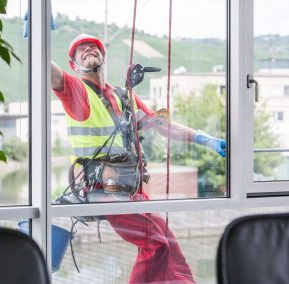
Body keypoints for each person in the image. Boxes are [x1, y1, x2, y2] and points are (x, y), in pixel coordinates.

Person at [51, 34, 226, 283]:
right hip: (102, 191)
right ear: (74, 65)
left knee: (169, 244)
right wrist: (39, 34)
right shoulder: (76, 91)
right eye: (81, 51)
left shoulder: (125, 97)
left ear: (103, 56)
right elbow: (51, 74)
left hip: (130, 188)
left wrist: (205, 139)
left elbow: (162, 126)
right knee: (156, 243)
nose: (88, 49)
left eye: (93, 47)